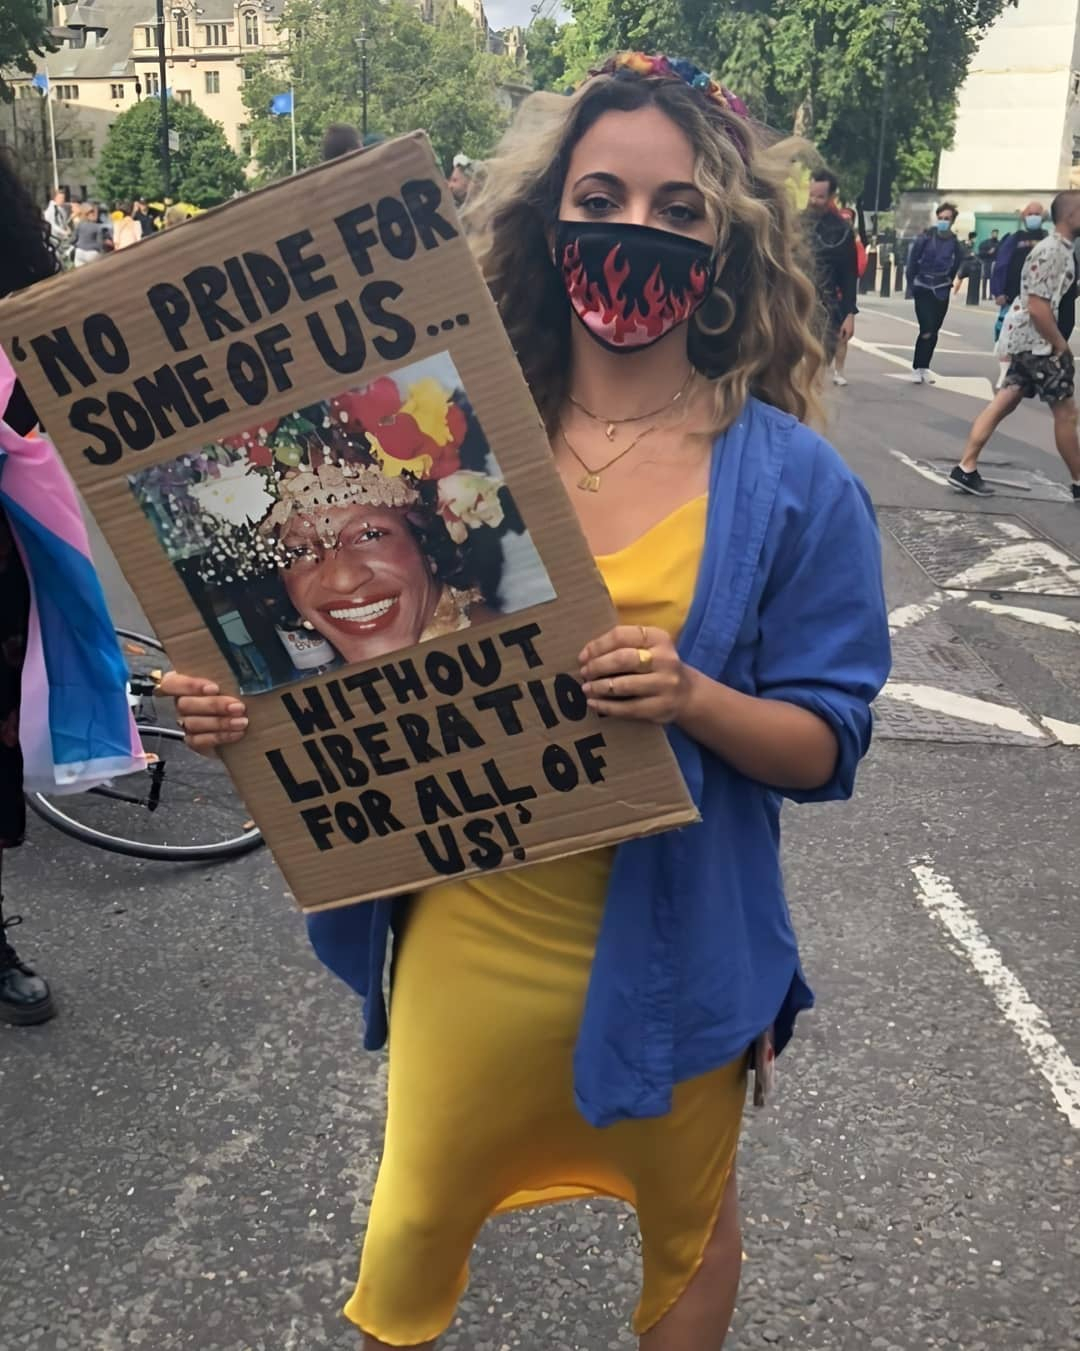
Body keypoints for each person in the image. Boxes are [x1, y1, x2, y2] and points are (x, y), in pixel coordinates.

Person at [159, 51, 890, 1349]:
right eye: (602, 197)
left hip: (680, 951)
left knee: (689, 1238)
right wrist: (238, 709)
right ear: (547, 214)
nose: (635, 235)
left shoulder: (793, 480)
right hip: (470, 932)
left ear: (729, 240)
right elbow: (336, 653)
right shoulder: (432, 438)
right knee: (409, 1230)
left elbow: (827, 742)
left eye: (678, 213)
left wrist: (695, 694)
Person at [951, 190, 1080, 501]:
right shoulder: (1054, 252)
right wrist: (1060, 344)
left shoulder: (1058, 248)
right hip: (1038, 343)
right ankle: (1079, 480)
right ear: (1071, 216)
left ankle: (965, 468)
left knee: (1004, 401)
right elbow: (1038, 306)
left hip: (1025, 338)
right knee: (1066, 412)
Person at [803, 169, 858, 386]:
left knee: (814, 372)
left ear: (831, 198)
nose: (814, 201)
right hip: (790, 304)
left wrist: (850, 314)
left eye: (820, 197)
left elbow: (849, 275)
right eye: (811, 195)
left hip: (824, 308)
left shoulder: (841, 231)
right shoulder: (794, 223)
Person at [905, 202, 963, 383]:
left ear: (952, 221)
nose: (943, 221)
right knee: (926, 328)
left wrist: (949, 281)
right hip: (923, 286)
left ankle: (925, 367)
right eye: (941, 218)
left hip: (941, 289)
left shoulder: (955, 243)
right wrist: (911, 285)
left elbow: (957, 264)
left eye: (947, 219)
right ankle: (916, 367)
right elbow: (912, 260)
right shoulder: (925, 238)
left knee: (935, 330)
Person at [978, 227, 1000, 300]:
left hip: (994, 262)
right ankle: (983, 295)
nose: (995, 235)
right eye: (994, 233)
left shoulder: (998, 244)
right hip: (986, 262)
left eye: (996, 234)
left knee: (992, 279)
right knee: (984, 278)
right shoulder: (986, 243)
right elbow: (980, 253)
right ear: (991, 234)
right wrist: (988, 252)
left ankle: (991, 295)